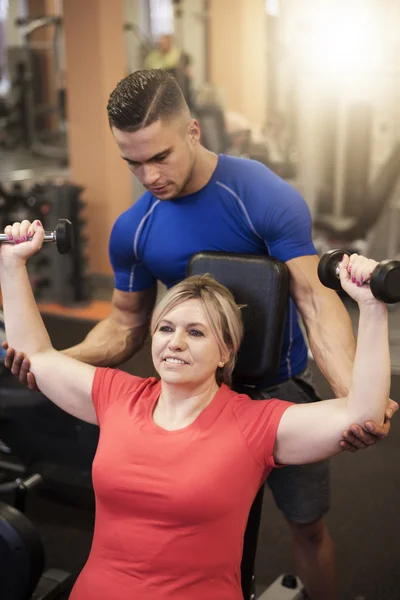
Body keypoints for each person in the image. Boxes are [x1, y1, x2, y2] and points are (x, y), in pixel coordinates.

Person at [3, 69, 398, 600]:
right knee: (173, 513)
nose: (148, 175)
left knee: (307, 525)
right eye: (133, 162)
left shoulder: (259, 194)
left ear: (193, 131)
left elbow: (314, 300)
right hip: (190, 379)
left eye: (159, 156)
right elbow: (125, 326)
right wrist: (55, 364)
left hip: (275, 385)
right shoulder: (135, 228)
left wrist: (355, 395)